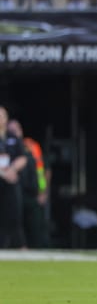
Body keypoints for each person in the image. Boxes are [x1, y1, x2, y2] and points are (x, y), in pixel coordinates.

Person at [7, 119, 50, 248]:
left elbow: (44, 170)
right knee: (14, 226)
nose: (15, 132)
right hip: (12, 193)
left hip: (33, 194)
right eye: (11, 130)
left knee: (35, 228)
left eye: (17, 129)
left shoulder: (32, 147)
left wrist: (44, 191)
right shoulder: (5, 145)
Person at [0, 106, 28, 248]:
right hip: (2, 177)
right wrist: (3, 173)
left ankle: (20, 246)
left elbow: (22, 158)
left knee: (14, 215)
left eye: (2, 116)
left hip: (11, 182)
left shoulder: (13, 137)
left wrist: (11, 170)